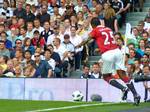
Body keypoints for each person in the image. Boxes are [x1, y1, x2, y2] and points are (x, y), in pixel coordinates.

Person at [79, 17, 141, 105]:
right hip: (117, 52)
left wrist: (79, 45)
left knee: (106, 76)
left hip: (108, 54)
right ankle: (136, 94)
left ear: (92, 25)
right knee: (122, 75)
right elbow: (107, 40)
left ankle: (123, 89)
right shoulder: (108, 29)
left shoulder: (95, 30)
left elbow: (87, 39)